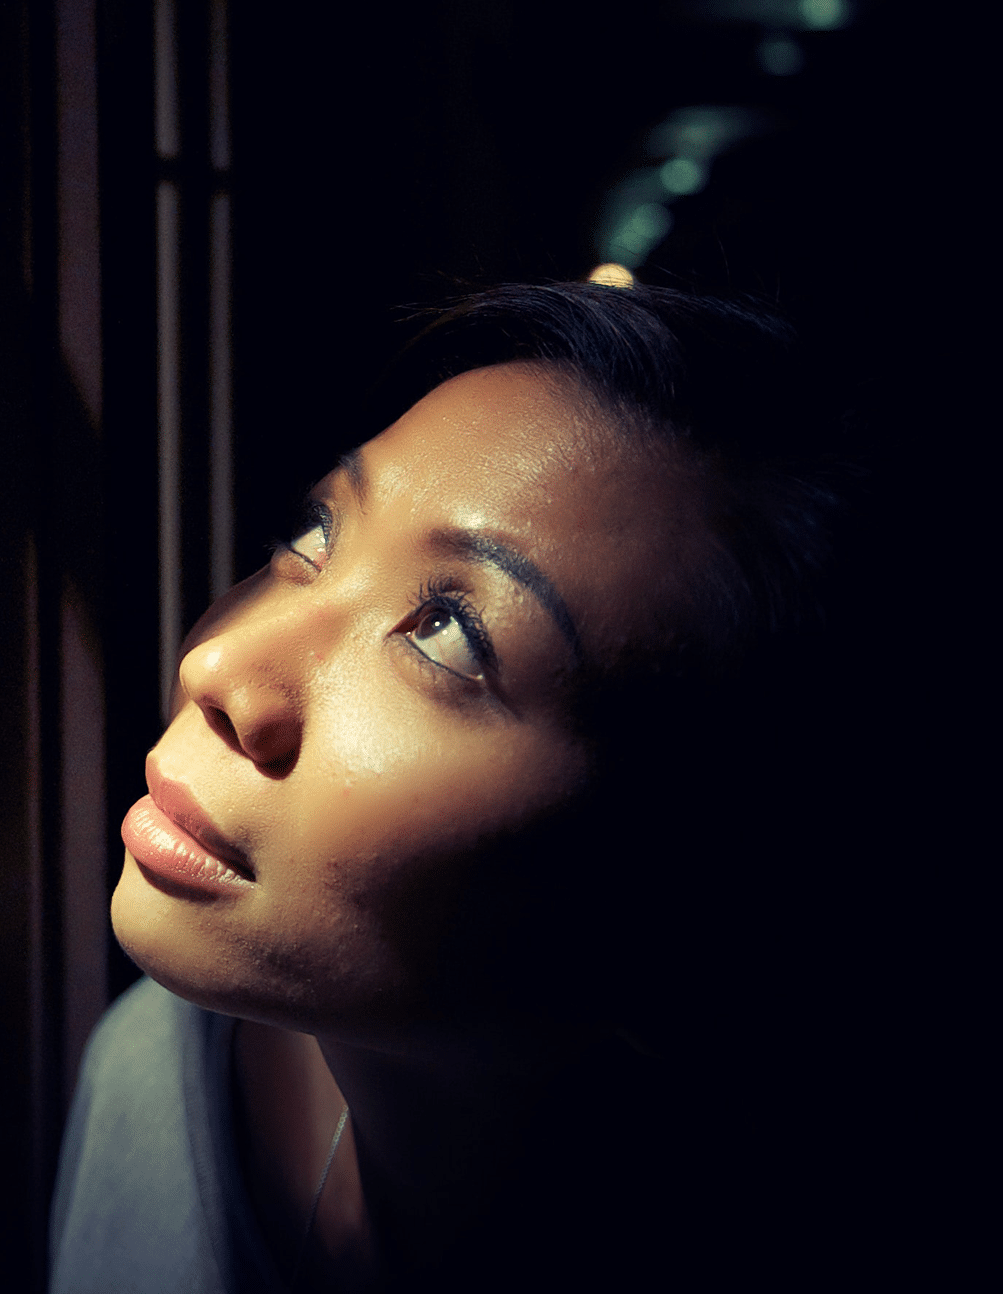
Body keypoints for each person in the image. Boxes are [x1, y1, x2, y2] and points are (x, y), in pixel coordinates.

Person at [50, 283, 847, 1292]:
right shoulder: (155, 1069)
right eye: (313, 538)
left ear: (687, 884)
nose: (220, 665)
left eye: (448, 635)